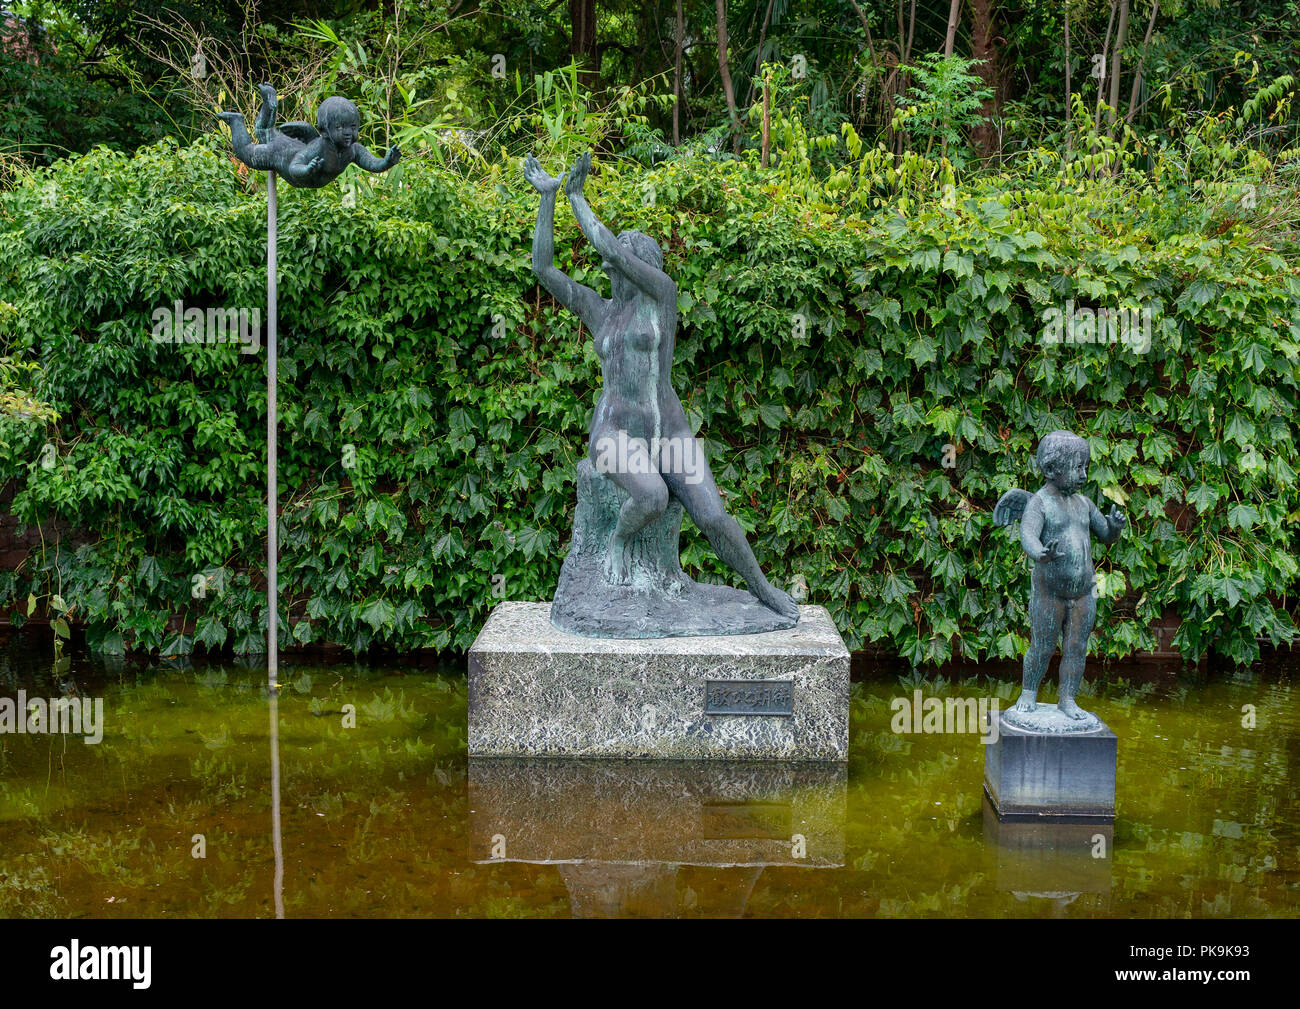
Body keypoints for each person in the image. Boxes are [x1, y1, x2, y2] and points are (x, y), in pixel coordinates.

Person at [523, 151, 798, 620]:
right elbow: (544, 270)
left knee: (713, 517)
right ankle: (617, 544)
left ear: (638, 266)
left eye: (622, 264)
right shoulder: (600, 311)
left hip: (668, 432)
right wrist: (551, 199)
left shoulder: (662, 298)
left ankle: (762, 587)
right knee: (652, 497)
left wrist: (579, 198)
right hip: (613, 436)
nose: (609, 270)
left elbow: (609, 249)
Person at [218, 84, 399, 189]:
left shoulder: (354, 150)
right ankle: (236, 121)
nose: (347, 132)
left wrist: (387, 161)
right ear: (325, 129)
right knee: (247, 152)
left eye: (352, 127)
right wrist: (307, 170)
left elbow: (373, 164)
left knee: (266, 132)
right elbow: (294, 166)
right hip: (280, 154)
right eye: (340, 127)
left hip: (289, 148)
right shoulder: (318, 147)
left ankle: (270, 103)